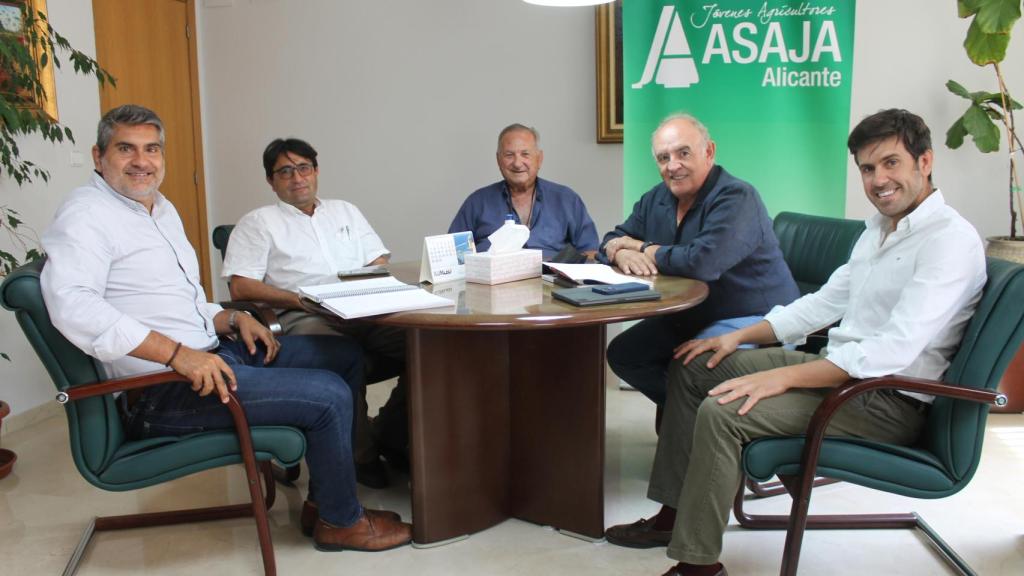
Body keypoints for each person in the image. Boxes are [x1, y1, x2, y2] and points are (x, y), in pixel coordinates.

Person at [604, 109, 986, 576]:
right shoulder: (878, 231)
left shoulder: (949, 241)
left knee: (723, 412)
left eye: (891, 163)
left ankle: (698, 564)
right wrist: (739, 337)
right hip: (839, 372)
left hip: (884, 400)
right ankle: (676, 512)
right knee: (694, 364)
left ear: (924, 162)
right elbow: (824, 303)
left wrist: (780, 377)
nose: (878, 179)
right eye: (868, 168)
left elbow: (888, 353)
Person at [41, 105, 411, 552]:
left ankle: (325, 501)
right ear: (99, 157)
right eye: (126, 149)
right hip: (163, 387)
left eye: (151, 149)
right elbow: (74, 305)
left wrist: (233, 317)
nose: (142, 161)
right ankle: (341, 522)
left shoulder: (157, 209)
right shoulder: (86, 214)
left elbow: (187, 302)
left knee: (345, 357)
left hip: (213, 354)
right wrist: (178, 354)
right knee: (328, 394)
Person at [221, 137, 408, 489]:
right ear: (271, 181)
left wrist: (365, 288)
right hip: (303, 314)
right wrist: (298, 299)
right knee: (343, 356)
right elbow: (241, 287)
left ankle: (391, 435)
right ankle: (361, 455)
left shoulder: (345, 211)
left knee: (428, 346)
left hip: (364, 311)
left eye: (304, 167)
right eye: (285, 171)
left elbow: (379, 260)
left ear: (317, 171)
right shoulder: (259, 223)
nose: (297, 178)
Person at [602, 114, 799, 407]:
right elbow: (613, 237)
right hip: (694, 314)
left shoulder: (737, 197)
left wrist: (643, 247)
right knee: (624, 354)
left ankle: (695, 423)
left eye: (683, 153)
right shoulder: (657, 197)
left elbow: (701, 263)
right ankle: (689, 418)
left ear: (709, 152)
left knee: (690, 367)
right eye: (663, 157)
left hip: (754, 317)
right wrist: (619, 249)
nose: (673, 165)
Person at [449, 123, 600, 259]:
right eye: (509, 155)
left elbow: (591, 252)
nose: (517, 163)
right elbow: (453, 255)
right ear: (498, 160)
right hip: (492, 286)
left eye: (525, 154)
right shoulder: (477, 202)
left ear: (539, 159)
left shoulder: (566, 199)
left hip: (552, 285)